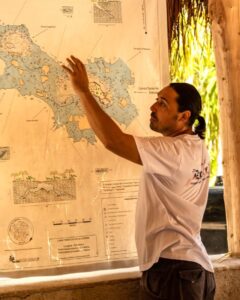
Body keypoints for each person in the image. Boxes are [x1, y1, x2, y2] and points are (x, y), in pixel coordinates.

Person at [63, 55, 216, 300]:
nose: (153, 107)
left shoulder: (175, 151)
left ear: (184, 116)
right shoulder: (195, 147)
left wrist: (83, 92)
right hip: (191, 270)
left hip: (174, 272)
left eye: (163, 103)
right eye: (156, 100)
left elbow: (113, 141)